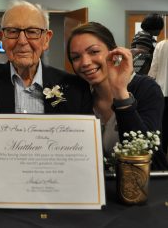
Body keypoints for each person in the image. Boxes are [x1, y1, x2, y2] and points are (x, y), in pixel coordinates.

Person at [0, 0, 93, 171]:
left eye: (32, 31)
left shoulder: (75, 88)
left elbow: (84, 159)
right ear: (2, 38)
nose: (22, 41)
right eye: (13, 31)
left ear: (46, 39)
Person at [67, 22, 168, 170]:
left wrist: (121, 93)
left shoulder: (146, 89)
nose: (85, 63)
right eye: (76, 57)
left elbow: (148, 154)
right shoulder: (79, 95)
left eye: (94, 52)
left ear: (113, 52)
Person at [148, 39, 168, 154]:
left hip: (161, 92)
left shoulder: (161, 45)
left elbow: (153, 71)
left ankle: (162, 160)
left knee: (162, 128)